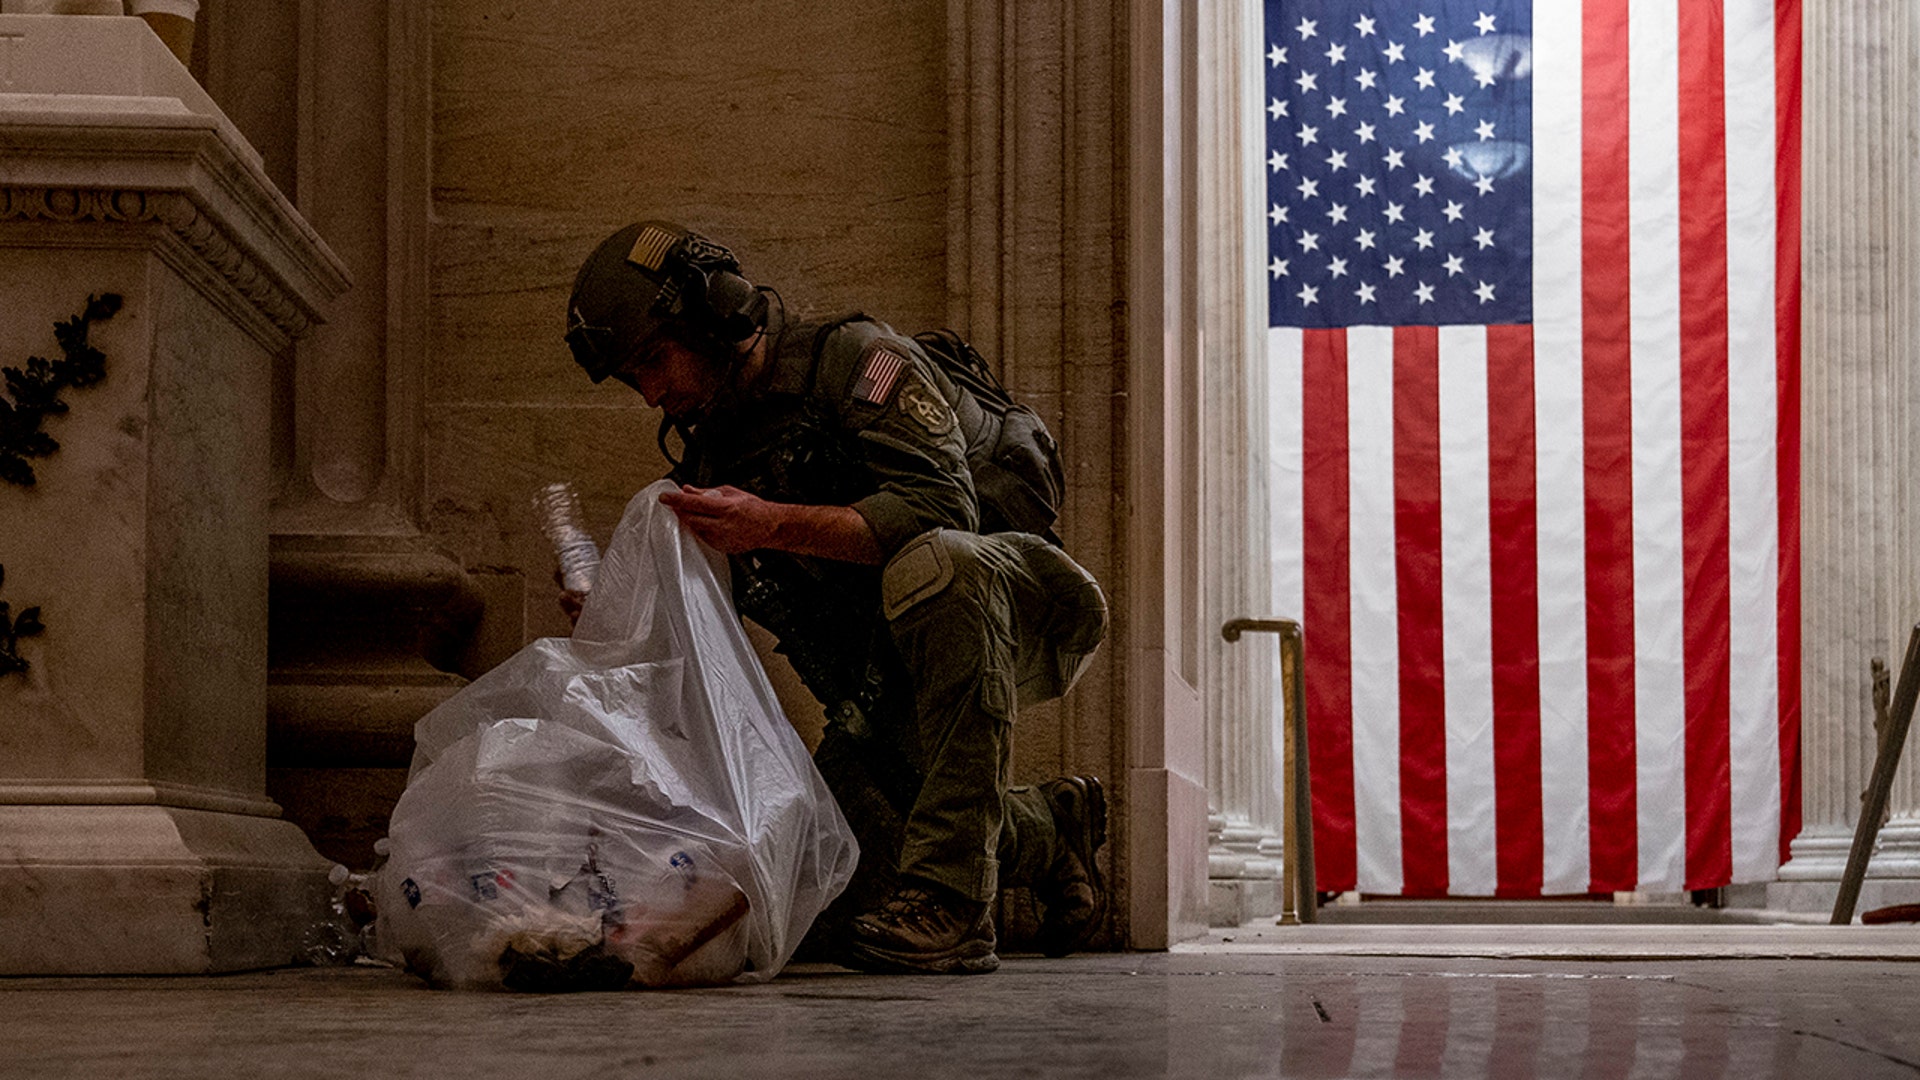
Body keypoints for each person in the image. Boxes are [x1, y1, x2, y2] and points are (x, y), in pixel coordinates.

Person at [562, 220, 1110, 975]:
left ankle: (955, 908)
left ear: (717, 314)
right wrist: (627, 611)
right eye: (635, 377)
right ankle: (1052, 828)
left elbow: (942, 508)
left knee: (942, 563)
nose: (654, 392)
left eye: (656, 359)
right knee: (834, 870)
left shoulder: (859, 362)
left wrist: (772, 524)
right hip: (887, 668)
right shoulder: (718, 447)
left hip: (1007, 600)